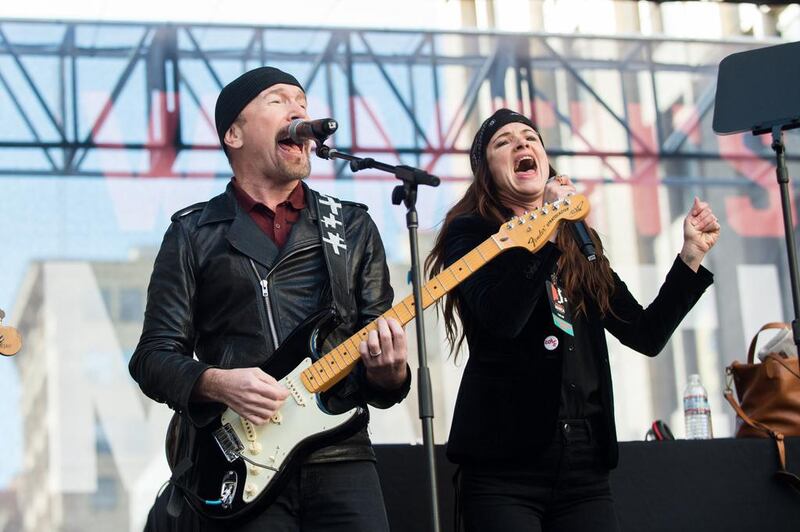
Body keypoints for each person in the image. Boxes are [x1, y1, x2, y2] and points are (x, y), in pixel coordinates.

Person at [130, 66, 411, 532]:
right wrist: (216, 383)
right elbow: (152, 357)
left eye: (302, 100)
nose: (299, 109)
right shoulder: (192, 233)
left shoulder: (352, 226)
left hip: (341, 454)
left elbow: (379, 365)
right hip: (240, 462)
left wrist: (390, 372)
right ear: (234, 134)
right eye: (278, 100)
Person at [425, 108, 720, 532]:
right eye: (503, 142)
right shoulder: (470, 234)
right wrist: (546, 227)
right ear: (486, 172)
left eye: (530, 138)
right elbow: (502, 317)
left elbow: (644, 333)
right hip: (504, 463)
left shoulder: (577, 239)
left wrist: (690, 256)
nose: (522, 144)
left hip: (584, 460)